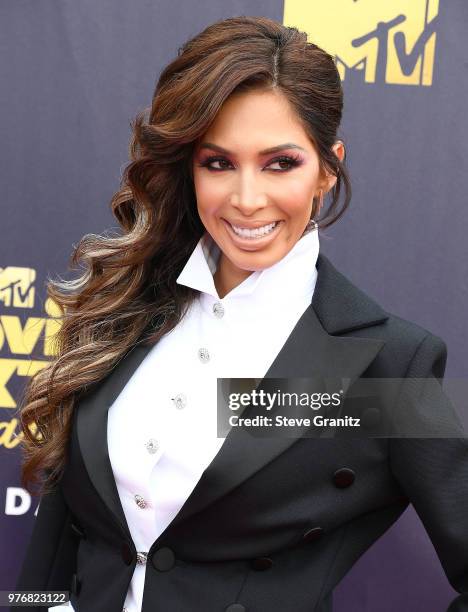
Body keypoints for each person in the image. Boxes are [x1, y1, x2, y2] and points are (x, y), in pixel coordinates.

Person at [13, 15, 468, 612]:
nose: (247, 199)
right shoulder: (121, 308)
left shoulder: (385, 367)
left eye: (281, 163)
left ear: (328, 168)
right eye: (218, 163)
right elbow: (59, 538)